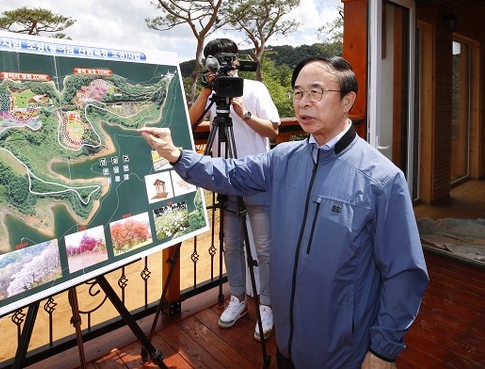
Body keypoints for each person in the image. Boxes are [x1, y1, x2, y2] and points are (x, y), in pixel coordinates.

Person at [139, 56, 429, 368]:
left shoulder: (381, 179)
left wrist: (384, 348)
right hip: (287, 340)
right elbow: (230, 173)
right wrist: (176, 155)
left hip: (340, 349)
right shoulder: (284, 158)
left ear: (347, 101)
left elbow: (404, 272)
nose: (304, 103)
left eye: (316, 93)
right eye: (298, 93)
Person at [189, 38, 280, 341]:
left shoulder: (255, 89)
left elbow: (274, 130)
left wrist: (244, 114)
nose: (224, 66)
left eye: (227, 60)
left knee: (265, 247)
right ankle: (238, 298)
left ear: (237, 62)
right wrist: (206, 90)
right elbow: (190, 123)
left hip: (256, 177)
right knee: (231, 244)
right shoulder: (214, 94)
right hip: (226, 178)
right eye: (215, 62)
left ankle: (267, 305)